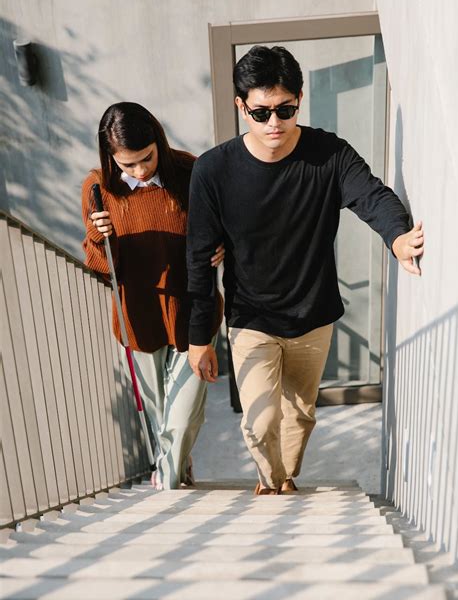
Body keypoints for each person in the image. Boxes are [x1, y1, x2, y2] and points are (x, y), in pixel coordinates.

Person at [186, 46, 424, 495]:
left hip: (312, 317)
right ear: (241, 106)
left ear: (300, 98)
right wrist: (200, 338)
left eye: (285, 109)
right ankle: (272, 482)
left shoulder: (327, 154)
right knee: (260, 421)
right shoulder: (213, 170)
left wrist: (396, 236)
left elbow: (371, 195)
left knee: (301, 412)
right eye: (260, 113)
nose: (274, 123)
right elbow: (198, 258)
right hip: (250, 317)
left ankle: (284, 478)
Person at [82, 102, 223, 490]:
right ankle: (176, 470)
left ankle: (167, 486)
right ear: (111, 158)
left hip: (194, 311)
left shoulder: (191, 171)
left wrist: (223, 245)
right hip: (138, 320)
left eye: (146, 158)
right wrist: (99, 236)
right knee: (161, 417)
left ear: (158, 141)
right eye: (128, 165)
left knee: (181, 418)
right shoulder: (98, 189)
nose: (141, 171)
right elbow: (100, 266)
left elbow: (221, 227)